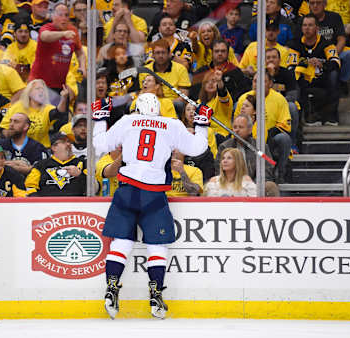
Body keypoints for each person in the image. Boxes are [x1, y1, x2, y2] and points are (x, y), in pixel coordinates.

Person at [91, 92, 212, 319]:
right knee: (157, 246)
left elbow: (100, 144)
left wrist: (100, 118)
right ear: (158, 109)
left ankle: (111, 289)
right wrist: (201, 122)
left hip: (127, 191)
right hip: (154, 195)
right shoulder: (172, 125)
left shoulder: (128, 121)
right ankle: (156, 295)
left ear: (138, 108)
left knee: (122, 242)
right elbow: (198, 148)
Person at [234, 71, 292, 183]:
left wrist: (267, 133)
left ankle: (281, 173)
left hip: (270, 139)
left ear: (270, 83)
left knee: (284, 138)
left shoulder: (279, 99)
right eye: (255, 81)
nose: (257, 84)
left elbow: (285, 125)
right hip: (246, 139)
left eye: (262, 81)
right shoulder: (243, 98)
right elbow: (235, 123)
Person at [287, 13, 340, 126]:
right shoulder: (295, 44)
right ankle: (305, 116)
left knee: (334, 74)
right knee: (293, 75)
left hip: (322, 79)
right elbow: (290, 66)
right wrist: (306, 63)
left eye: (310, 25)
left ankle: (332, 115)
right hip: (303, 80)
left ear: (317, 28)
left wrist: (322, 64)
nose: (307, 28)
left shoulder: (327, 43)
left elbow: (336, 62)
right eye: (304, 25)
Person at [29, 3, 86, 100]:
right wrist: (63, 33)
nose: (64, 18)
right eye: (60, 14)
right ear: (53, 16)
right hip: (40, 84)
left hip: (60, 84)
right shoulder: (46, 28)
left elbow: (80, 52)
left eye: (66, 15)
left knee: (59, 113)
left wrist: (83, 67)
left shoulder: (73, 30)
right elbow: (45, 36)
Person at [216, 111, 278, 196]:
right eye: (234, 127)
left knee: (270, 186)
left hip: (255, 183)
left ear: (249, 129)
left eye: (241, 127)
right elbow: (219, 170)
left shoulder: (261, 147)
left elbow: (267, 169)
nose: (236, 130)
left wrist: (252, 185)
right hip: (231, 182)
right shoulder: (224, 147)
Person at [0, 79, 69, 147]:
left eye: (43, 89)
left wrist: (64, 98)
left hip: (41, 148)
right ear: (29, 93)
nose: (41, 91)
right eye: (38, 89)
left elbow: (59, 113)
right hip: (18, 147)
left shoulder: (47, 108)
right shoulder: (17, 107)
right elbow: (4, 129)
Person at [307, 0, 350, 94]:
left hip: (334, 51)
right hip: (314, 55)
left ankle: (343, 81)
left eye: (318, 3)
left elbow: (342, 39)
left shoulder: (335, 17)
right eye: (312, 3)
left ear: (325, 4)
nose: (315, 6)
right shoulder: (305, 20)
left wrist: (333, 55)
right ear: (308, 5)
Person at [140, 39, 191, 118]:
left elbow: (183, 97)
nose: (160, 55)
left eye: (163, 52)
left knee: (179, 105)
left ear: (169, 54)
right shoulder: (145, 70)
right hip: (149, 103)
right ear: (152, 55)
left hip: (173, 104)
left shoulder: (181, 69)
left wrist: (165, 104)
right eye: (157, 53)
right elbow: (142, 93)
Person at [25, 132, 88, 196]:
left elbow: (94, 188)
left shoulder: (84, 163)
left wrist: (80, 175)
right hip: (47, 204)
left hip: (76, 204)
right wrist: (39, 202)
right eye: (64, 142)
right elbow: (30, 186)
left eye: (69, 142)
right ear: (54, 147)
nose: (68, 144)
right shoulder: (40, 165)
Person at [265, 47, 300, 151]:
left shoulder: (287, 73)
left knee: (292, 107)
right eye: (268, 58)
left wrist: (278, 104)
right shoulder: (260, 74)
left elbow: (293, 95)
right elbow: (255, 93)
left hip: (282, 107)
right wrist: (269, 75)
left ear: (279, 60)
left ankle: (292, 143)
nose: (271, 60)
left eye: (274, 57)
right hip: (264, 106)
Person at [198, 69, 233, 146]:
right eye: (207, 82)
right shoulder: (199, 102)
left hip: (221, 136)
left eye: (214, 81)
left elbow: (222, 93)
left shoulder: (220, 99)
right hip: (205, 134)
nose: (210, 84)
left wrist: (219, 81)